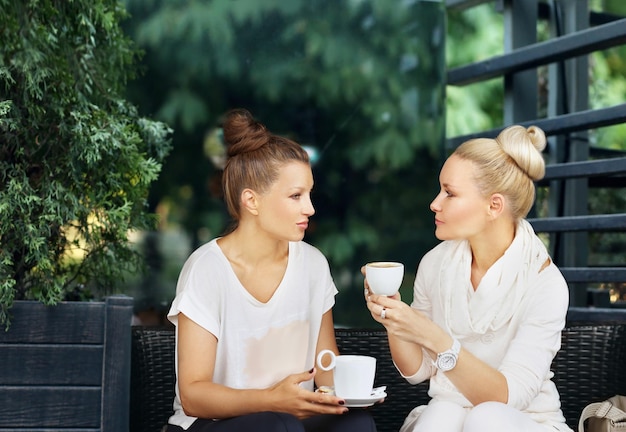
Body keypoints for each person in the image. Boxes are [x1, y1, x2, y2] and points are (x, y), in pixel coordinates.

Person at [166, 108, 377, 432]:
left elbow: (325, 367)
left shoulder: (313, 264)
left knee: (357, 424)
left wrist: (353, 394)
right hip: (214, 424)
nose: (310, 208)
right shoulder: (207, 269)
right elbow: (193, 394)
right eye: (295, 196)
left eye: (309, 194)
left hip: (292, 417)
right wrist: (272, 400)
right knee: (279, 425)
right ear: (251, 201)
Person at [364, 125, 573, 432]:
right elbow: (418, 370)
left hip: (522, 421)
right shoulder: (435, 263)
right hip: (451, 413)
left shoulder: (546, 284)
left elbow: (508, 397)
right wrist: (394, 318)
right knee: (441, 415)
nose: (435, 203)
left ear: (494, 206)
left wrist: (436, 337)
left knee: (484, 418)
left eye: (450, 193)